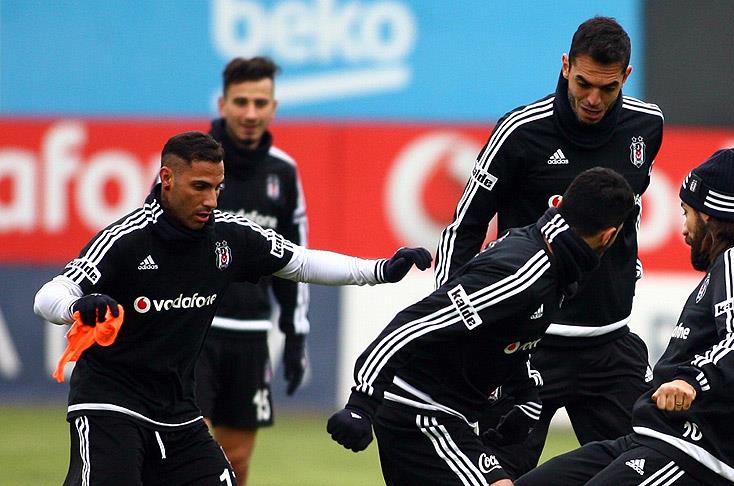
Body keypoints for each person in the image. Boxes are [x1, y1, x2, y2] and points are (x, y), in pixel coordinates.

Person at [33, 131, 432, 486]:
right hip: (108, 403)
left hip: (177, 410)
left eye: (217, 188)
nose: (210, 200)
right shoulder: (127, 239)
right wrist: (77, 306)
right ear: (167, 179)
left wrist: (378, 270)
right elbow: (48, 296)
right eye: (200, 187)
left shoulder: (230, 236)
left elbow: (301, 262)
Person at [434, 16, 664, 477]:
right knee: (497, 477)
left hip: (610, 344)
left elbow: (631, 209)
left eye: (608, 88)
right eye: (583, 83)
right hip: (524, 347)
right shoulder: (520, 132)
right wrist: (455, 323)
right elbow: (463, 228)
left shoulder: (647, 125)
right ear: (565, 66)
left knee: (650, 470)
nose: (594, 99)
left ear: (626, 76)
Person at [328, 168, 636, 486]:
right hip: (421, 412)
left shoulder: (553, 260)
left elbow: (511, 336)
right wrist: (362, 403)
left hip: (450, 414)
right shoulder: (523, 275)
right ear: (609, 235)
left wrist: (526, 397)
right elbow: (414, 324)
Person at [516, 147, 734, 486]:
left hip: (689, 455)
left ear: (708, 215)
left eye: (686, 213)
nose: (684, 230)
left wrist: (692, 380)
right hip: (646, 441)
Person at [194, 56, 306, 485]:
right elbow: (150, 234)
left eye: (260, 102)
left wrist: (295, 336)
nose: (250, 113)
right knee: (189, 454)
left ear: (273, 107)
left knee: (236, 461)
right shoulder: (191, 162)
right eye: (241, 101)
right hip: (193, 330)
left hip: (251, 334)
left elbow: (295, 259)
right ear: (223, 104)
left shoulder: (284, 172)